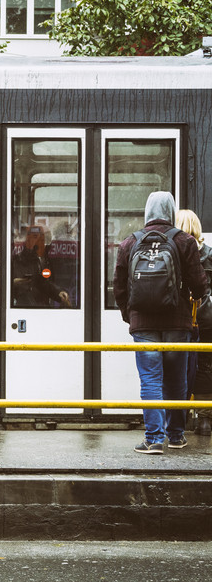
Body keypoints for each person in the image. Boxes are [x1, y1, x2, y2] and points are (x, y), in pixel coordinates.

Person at [113, 192, 209, 454]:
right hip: (177, 325)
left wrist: (130, 315)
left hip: (143, 325)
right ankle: (176, 436)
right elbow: (200, 285)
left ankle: (154, 439)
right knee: (177, 381)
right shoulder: (184, 241)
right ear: (171, 211)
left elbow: (119, 288)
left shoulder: (129, 243)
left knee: (151, 381)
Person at [175, 209, 212, 437]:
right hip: (207, 320)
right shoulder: (209, 254)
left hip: (180, 320)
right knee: (206, 367)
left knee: (177, 368)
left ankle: (178, 418)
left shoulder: (173, 252)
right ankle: (205, 420)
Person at [11, 226, 72, 308]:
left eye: (41, 240)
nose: (39, 243)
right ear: (27, 241)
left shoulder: (39, 260)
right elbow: (3, 287)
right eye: (34, 239)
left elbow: (42, 283)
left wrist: (58, 293)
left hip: (40, 307)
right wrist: (13, 284)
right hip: (21, 307)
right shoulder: (16, 260)